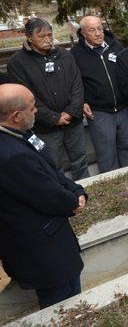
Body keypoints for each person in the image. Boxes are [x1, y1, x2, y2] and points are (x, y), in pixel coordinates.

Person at [0, 84, 88, 309]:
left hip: (52, 241)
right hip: (43, 251)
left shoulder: (21, 134)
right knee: (62, 304)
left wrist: (75, 189)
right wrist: (72, 202)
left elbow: (50, 170)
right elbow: (45, 193)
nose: (37, 111)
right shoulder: (11, 155)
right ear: (16, 116)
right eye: (32, 107)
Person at [7, 18, 89, 179]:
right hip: (45, 128)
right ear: (29, 38)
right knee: (52, 166)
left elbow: (77, 85)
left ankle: (87, 191)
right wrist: (54, 118)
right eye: (42, 36)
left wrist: (71, 112)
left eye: (50, 35)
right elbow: (25, 97)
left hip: (73, 122)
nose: (47, 39)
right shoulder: (18, 63)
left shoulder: (65, 55)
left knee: (80, 160)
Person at [71, 15, 128, 173]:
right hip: (99, 113)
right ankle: (114, 193)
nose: (98, 33)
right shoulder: (76, 54)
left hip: (124, 109)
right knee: (107, 155)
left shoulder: (116, 46)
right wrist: (82, 102)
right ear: (83, 33)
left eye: (100, 28)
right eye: (92, 30)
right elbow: (75, 83)